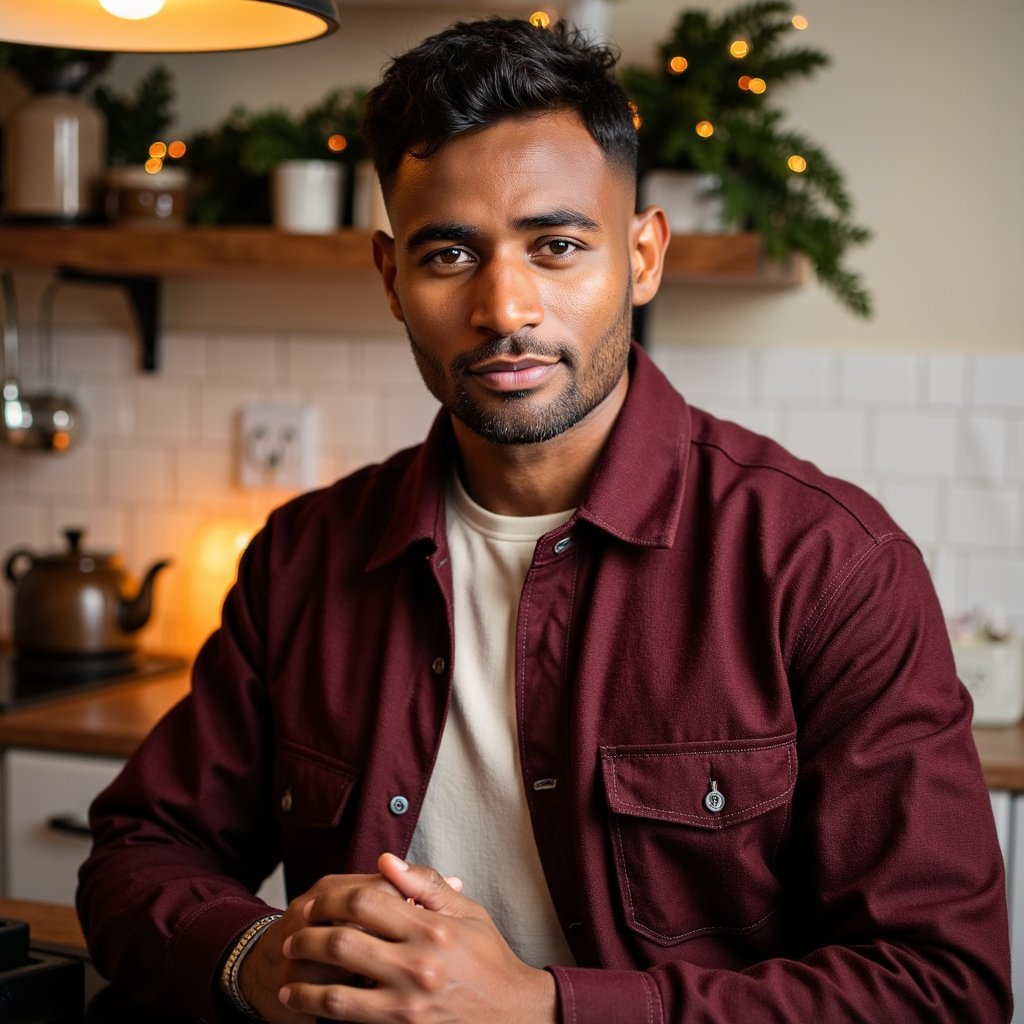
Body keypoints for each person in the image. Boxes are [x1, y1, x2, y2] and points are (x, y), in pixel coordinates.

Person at [77, 16, 1011, 1024]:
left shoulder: (826, 563)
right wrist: (256, 955)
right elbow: (139, 851)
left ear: (643, 256)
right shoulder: (303, 556)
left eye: (556, 246)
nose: (504, 305)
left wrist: (546, 1007)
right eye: (448, 256)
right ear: (392, 278)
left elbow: (941, 986)